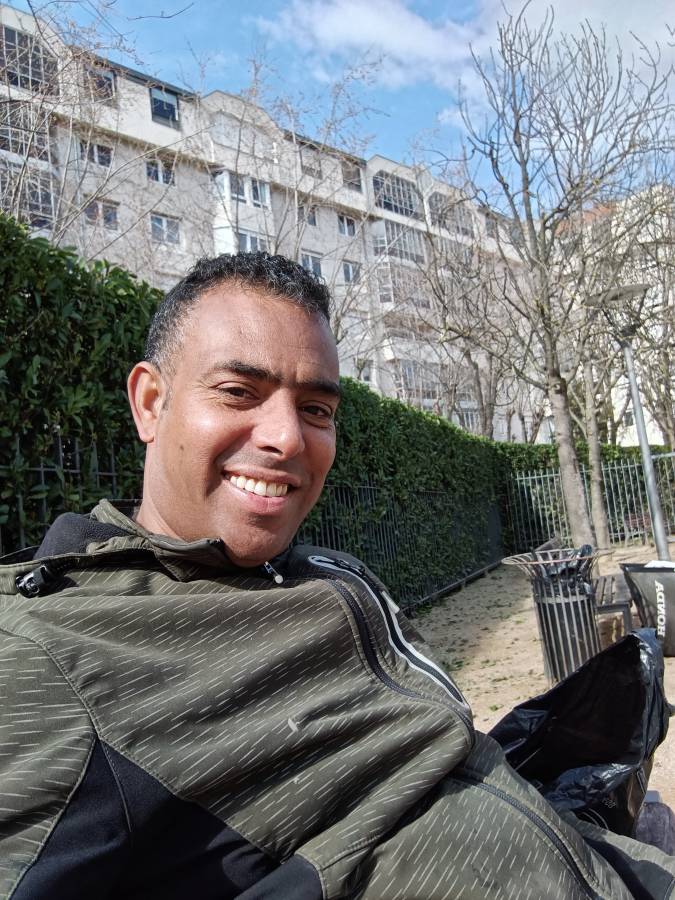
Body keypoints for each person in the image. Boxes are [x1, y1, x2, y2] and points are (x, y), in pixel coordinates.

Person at [0, 252, 673, 900]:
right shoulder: (51, 654)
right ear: (150, 402)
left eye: (316, 409)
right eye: (238, 392)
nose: (288, 437)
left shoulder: (325, 572)